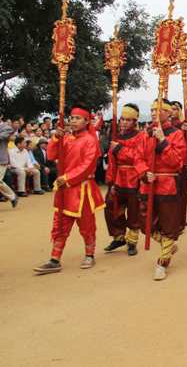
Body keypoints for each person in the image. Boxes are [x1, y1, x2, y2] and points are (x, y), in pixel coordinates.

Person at [33, 104, 105, 275]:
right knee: (60, 225)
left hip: (82, 189)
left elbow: (87, 166)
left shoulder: (90, 140)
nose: (73, 121)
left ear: (87, 121)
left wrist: (66, 178)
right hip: (65, 189)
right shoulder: (65, 138)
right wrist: (55, 139)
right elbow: (51, 156)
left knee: (86, 225)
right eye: (72, 118)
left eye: (77, 118)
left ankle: (89, 254)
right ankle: (54, 259)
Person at [137, 99, 187, 280]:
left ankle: (162, 262)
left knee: (168, 225)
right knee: (145, 223)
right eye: (151, 110)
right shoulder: (145, 134)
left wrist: (163, 140)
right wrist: (144, 172)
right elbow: (138, 158)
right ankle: (169, 244)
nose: (152, 113)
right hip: (148, 184)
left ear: (168, 113)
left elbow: (176, 161)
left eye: (157, 110)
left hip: (167, 184)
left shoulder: (177, 134)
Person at [103, 104, 145, 256]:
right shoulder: (116, 136)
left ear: (135, 121)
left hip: (134, 177)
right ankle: (119, 236)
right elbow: (113, 161)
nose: (124, 122)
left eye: (128, 120)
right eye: (122, 119)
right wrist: (111, 181)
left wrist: (119, 149)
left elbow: (138, 157)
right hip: (118, 178)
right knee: (111, 207)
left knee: (134, 211)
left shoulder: (141, 136)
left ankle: (132, 241)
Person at [0, 118, 18, 207]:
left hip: (1, 158)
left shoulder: (6, 127)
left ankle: (13, 196)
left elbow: (1, 137)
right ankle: (12, 196)